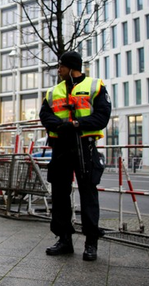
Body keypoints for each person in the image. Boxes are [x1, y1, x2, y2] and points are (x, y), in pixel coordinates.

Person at [39, 51, 111, 261]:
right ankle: (64, 239)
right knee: (59, 194)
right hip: (61, 146)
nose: (58, 70)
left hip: (84, 146)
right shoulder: (53, 91)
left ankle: (91, 243)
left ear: (71, 68)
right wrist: (61, 126)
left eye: (61, 66)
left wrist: (78, 125)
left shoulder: (95, 86)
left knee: (88, 194)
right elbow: (45, 115)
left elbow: (102, 116)